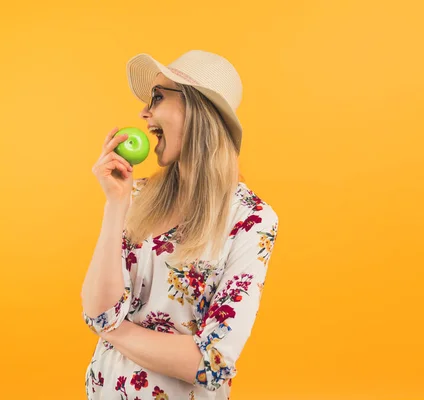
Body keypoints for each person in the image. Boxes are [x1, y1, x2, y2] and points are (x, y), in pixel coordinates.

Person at [80, 50, 279, 400]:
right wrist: (116, 204)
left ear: (197, 109)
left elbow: (212, 361)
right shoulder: (137, 197)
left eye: (158, 97)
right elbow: (99, 308)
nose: (144, 112)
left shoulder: (251, 220)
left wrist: (114, 331)